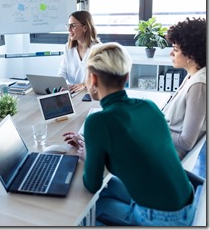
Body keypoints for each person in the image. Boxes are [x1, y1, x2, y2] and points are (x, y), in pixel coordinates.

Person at [62, 42, 199, 226]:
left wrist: (91, 156)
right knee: (108, 188)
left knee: (80, 212)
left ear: (93, 80)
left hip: (161, 218)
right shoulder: (149, 106)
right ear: (127, 77)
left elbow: (92, 183)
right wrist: (94, 147)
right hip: (189, 203)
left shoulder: (97, 122)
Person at [161, 17, 206, 160]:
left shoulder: (199, 85)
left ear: (191, 54)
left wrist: (154, 128)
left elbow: (186, 142)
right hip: (162, 144)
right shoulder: (192, 75)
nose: (171, 53)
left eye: (175, 49)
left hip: (168, 154)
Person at [57, 10, 101, 94]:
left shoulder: (98, 49)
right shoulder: (68, 47)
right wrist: (61, 84)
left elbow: (102, 78)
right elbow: (62, 70)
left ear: (85, 27)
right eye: (68, 26)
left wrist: (84, 84)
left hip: (91, 93)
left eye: (73, 26)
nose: (69, 30)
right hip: (73, 92)